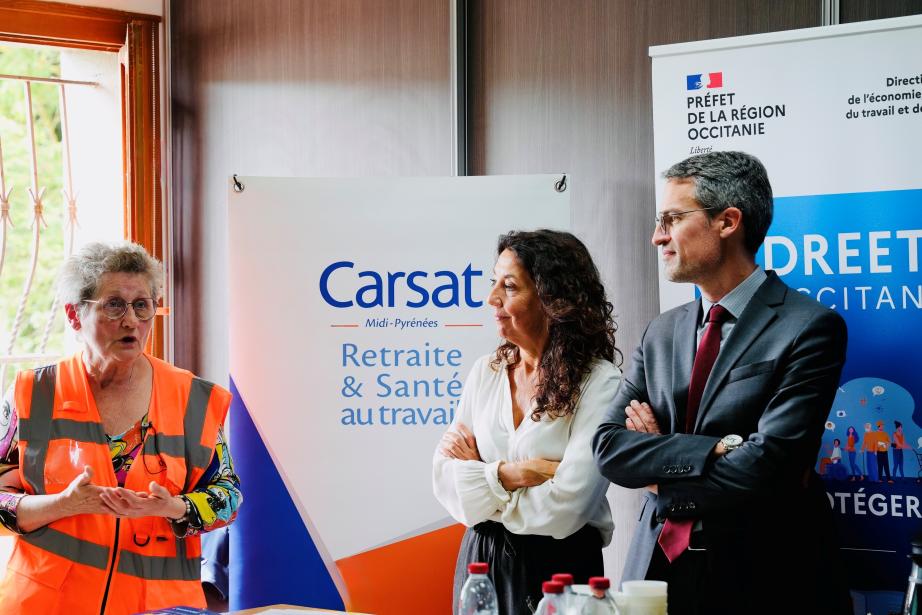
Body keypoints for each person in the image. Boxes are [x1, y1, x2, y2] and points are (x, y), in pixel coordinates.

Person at [592, 151, 850, 615]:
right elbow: (609, 448)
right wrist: (713, 449)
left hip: (765, 577)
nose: (657, 236)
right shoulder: (661, 331)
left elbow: (768, 467)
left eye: (672, 218)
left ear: (728, 222)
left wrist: (658, 475)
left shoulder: (810, 327)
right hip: (655, 573)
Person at [0, 242, 242, 615]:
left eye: (142, 306)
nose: (131, 321)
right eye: (114, 305)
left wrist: (174, 507)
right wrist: (59, 505)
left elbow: (228, 498)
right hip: (46, 604)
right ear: (74, 315)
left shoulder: (193, 397)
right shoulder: (30, 394)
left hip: (159, 608)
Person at [433, 230, 622, 614]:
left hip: (559, 568)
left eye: (510, 287)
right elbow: (445, 481)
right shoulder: (485, 372)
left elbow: (567, 509)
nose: (492, 299)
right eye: (494, 284)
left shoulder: (600, 383)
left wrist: (482, 483)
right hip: (479, 564)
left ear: (552, 299)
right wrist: (513, 475)